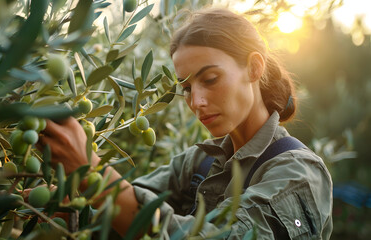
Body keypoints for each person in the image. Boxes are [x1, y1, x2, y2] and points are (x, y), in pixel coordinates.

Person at [37, 7, 333, 239]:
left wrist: (93, 174)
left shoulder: (298, 173)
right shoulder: (200, 162)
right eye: (187, 88)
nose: (196, 102)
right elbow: (124, 207)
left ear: (254, 68)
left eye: (211, 79)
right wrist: (58, 204)